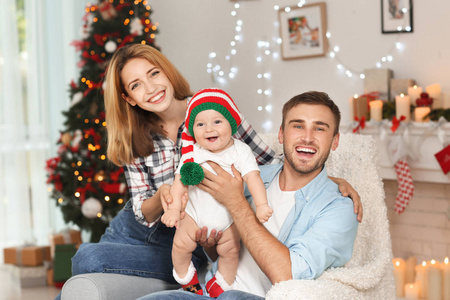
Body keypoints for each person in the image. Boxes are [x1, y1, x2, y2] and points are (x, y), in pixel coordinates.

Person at [63, 44, 361, 298]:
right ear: (128, 98)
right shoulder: (134, 136)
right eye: (136, 85)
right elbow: (143, 211)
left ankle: (189, 282)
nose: (151, 88)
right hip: (138, 227)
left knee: (88, 258)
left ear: (167, 72)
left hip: (186, 232)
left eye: (153, 74)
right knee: (81, 271)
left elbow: (270, 161)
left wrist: (329, 180)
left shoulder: (214, 110)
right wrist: (165, 194)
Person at [137, 91, 360, 299]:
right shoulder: (248, 175)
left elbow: (288, 275)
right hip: (210, 289)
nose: (308, 137)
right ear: (281, 134)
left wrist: (236, 202)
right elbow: (220, 249)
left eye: (320, 128)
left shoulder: (339, 208)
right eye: (298, 126)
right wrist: (209, 242)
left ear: (335, 141)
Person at [161, 88, 273, 297]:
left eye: (217, 122)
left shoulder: (240, 151)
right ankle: (188, 280)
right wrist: (174, 208)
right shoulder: (193, 152)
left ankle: (220, 284)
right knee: (179, 246)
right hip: (194, 216)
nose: (208, 129)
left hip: (229, 218)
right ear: (192, 130)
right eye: (200, 124)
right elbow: (180, 181)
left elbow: (253, 177)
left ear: (231, 124)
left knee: (231, 252)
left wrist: (262, 205)